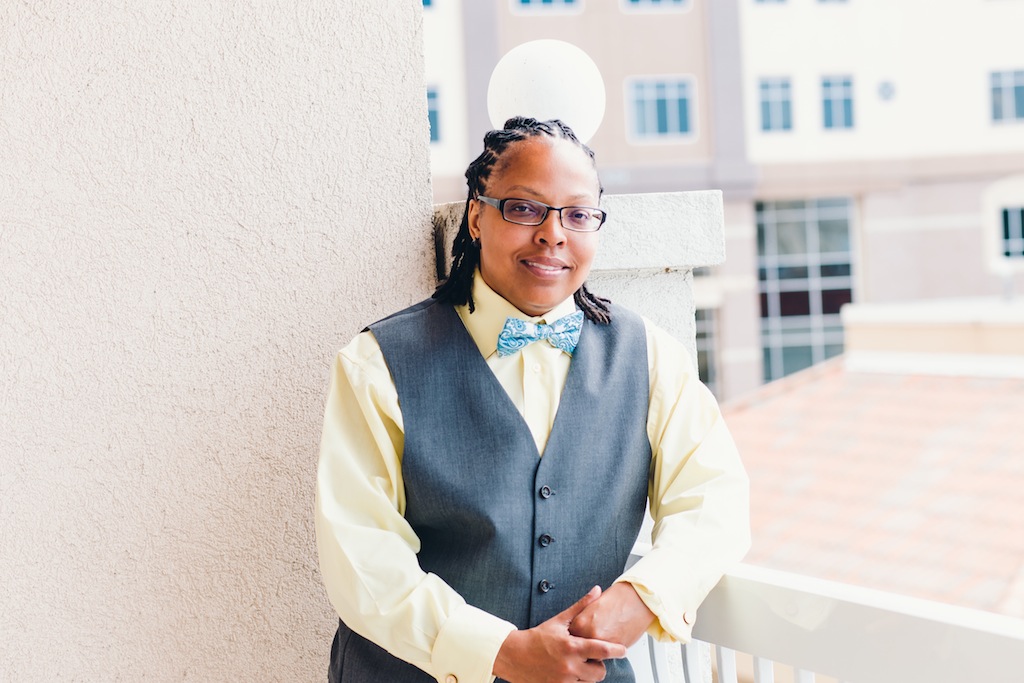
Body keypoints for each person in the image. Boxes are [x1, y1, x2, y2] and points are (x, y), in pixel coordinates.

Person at [315, 116, 750, 683]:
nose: (553, 234)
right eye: (524, 209)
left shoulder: (648, 357)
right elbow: (359, 553)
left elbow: (714, 499)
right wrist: (496, 650)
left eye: (577, 214)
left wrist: (643, 597)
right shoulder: (376, 363)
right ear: (476, 215)